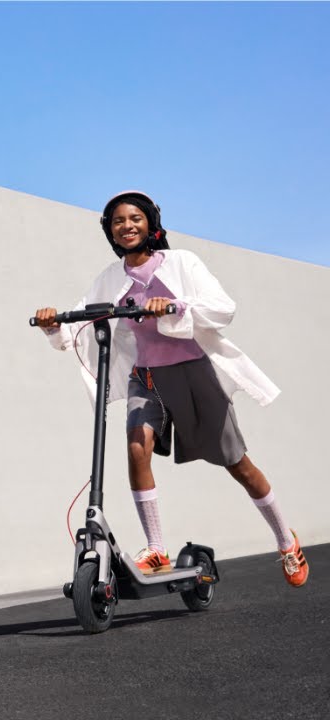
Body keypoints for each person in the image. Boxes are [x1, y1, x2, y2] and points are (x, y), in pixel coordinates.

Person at [33, 190, 308, 587]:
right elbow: (81, 320)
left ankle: (285, 540)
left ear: (150, 223)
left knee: (238, 465)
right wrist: (52, 324)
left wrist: (176, 306)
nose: (126, 226)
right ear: (110, 231)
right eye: (118, 221)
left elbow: (222, 307)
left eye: (134, 218)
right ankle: (157, 547)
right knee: (136, 447)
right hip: (146, 377)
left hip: (193, 373)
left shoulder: (181, 262)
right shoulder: (110, 277)